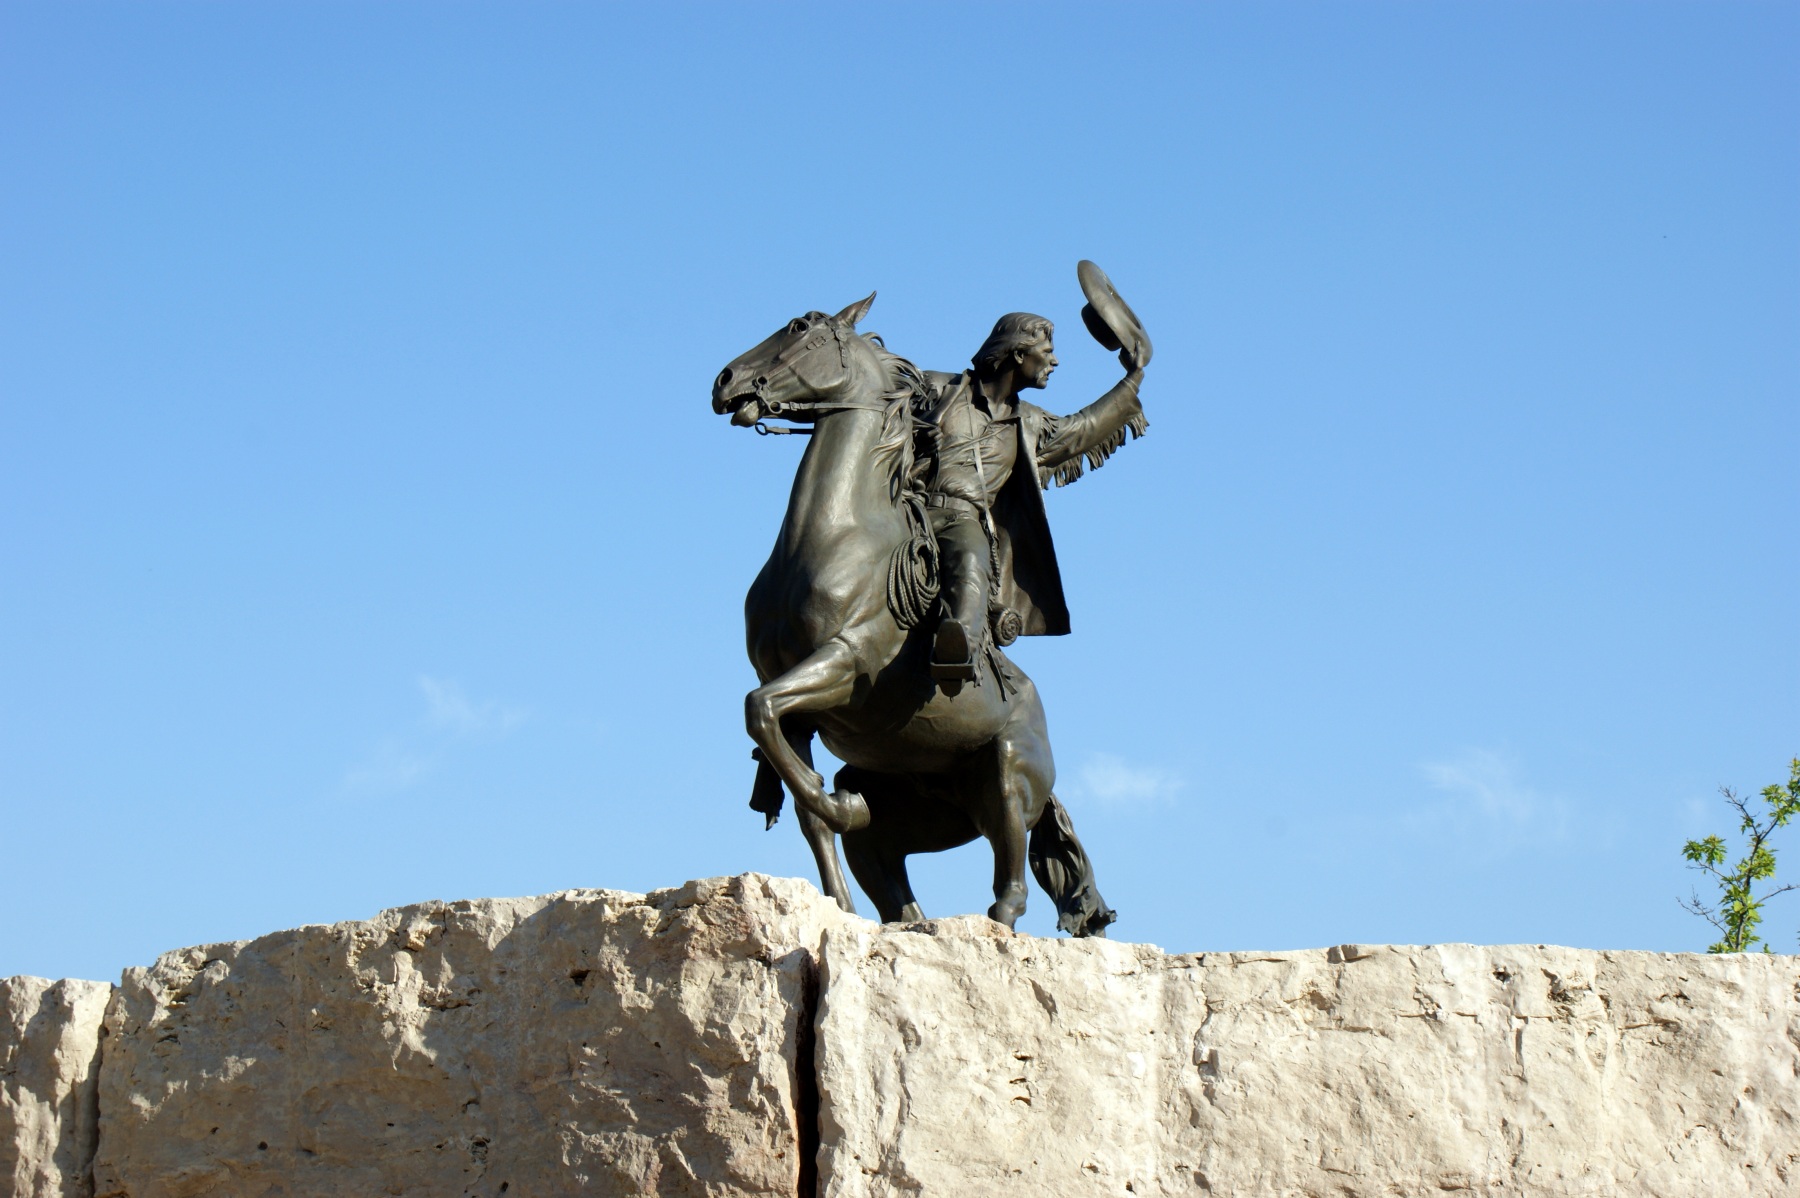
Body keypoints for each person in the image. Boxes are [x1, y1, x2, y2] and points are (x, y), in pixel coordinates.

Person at [915, 312, 1148, 682]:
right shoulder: (937, 388)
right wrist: (915, 428)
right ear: (1019, 353)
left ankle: (959, 648)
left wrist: (1132, 379)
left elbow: (1081, 429)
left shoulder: (1031, 424)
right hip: (907, 508)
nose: (1055, 361)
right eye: (1048, 351)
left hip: (961, 521)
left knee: (971, 561)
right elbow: (874, 406)